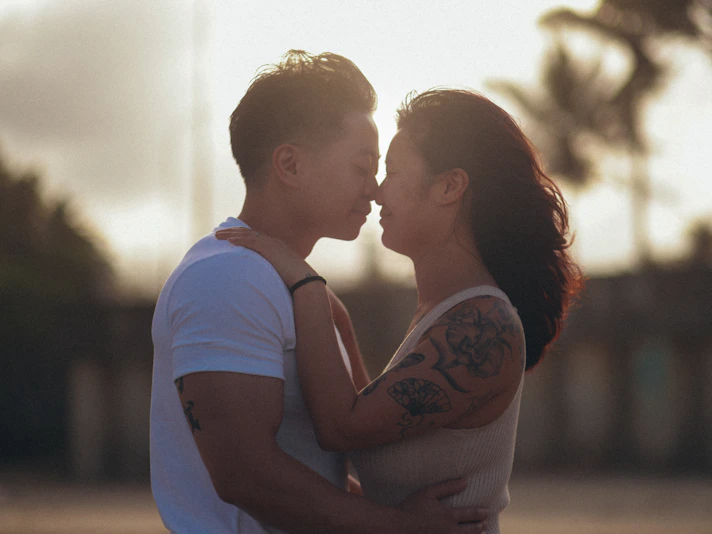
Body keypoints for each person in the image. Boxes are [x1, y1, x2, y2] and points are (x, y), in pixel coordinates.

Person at [150, 52, 489, 534]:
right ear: (289, 163)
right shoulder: (227, 277)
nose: (375, 190)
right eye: (362, 166)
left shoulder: (296, 287)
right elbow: (247, 476)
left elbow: (316, 471)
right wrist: (397, 527)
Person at [216, 88, 583, 533]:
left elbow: (340, 427)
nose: (375, 190)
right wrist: (338, 320)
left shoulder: (485, 324)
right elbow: (368, 428)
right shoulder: (443, 312)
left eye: (390, 171)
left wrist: (307, 284)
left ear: (450, 186)